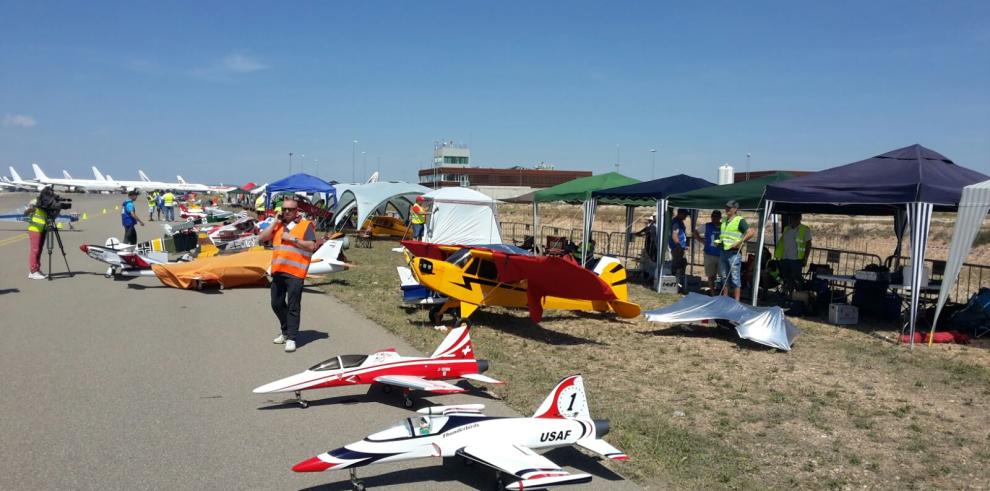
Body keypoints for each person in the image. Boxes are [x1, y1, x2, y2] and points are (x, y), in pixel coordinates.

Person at [257, 198, 317, 353]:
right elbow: (261, 239)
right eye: (284, 209)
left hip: (296, 273)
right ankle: (285, 331)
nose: (286, 212)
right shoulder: (278, 225)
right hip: (278, 270)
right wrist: (273, 223)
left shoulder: (305, 225)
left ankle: (291, 337)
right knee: (276, 303)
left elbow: (312, 246)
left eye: (290, 209)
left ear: (297, 211)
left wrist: (293, 239)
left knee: (293, 306)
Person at [718, 200, 756, 301]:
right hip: (723, 252)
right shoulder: (724, 220)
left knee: (735, 278)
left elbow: (751, 232)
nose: (727, 209)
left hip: (734, 253)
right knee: (724, 277)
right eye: (726, 207)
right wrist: (719, 242)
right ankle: (725, 299)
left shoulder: (740, 220)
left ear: (735, 209)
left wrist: (739, 242)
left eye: (729, 208)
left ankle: (736, 301)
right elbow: (725, 235)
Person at [774, 213, 813, 295]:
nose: (794, 219)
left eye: (796, 217)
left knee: (797, 279)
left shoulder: (805, 229)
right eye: (792, 217)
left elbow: (808, 244)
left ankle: (800, 295)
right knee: (786, 278)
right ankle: (789, 295)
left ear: (800, 218)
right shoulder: (786, 229)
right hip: (785, 258)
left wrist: (806, 258)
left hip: (796, 259)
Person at [25, 187, 52, 280]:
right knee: (35, 250)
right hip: (34, 229)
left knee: (39, 250)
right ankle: (33, 271)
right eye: (49, 194)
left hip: (43, 229)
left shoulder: (49, 202)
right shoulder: (35, 201)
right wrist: (32, 208)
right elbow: (25, 213)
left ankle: (37, 269)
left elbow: (52, 215)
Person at [693, 210, 722, 294]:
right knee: (710, 275)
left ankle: (720, 292)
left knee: (721, 276)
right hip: (709, 254)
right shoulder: (707, 226)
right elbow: (695, 232)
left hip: (721, 255)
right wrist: (701, 240)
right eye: (713, 216)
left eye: (716, 217)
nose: (714, 218)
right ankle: (713, 292)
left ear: (720, 218)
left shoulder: (724, 226)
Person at [669, 208, 689, 292]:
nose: (686, 216)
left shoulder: (679, 222)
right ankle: (672, 284)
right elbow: (674, 235)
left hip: (680, 247)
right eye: (685, 214)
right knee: (677, 264)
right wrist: (679, 245)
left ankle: (679, 282)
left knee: (683, 263)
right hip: (677, 247)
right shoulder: (676, 222)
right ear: (680, 213)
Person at [635, 215, 658, 285]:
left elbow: (647, 232)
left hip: (653, 245)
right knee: (649, 260)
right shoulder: (651, 226)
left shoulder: (654, 226)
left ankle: (651, 276)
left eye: (651, 220)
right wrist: (638, 233)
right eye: (649, 220)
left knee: (652, 260)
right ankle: (649, 275)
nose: (649, 221)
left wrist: (640, 234)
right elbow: (645, 230)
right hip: (649, 245)